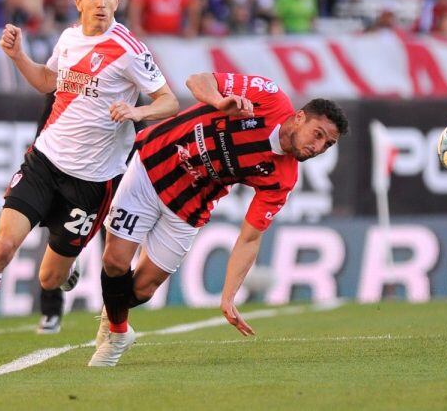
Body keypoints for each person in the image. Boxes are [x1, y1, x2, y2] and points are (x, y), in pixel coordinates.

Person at [0, 0, 179, 373]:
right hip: (45, 161)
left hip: (93, 184)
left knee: (49, 279)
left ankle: (67, 267)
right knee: (3, 245)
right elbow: (49, 81)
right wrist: (17, 57)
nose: (101, 3)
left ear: (119, 1)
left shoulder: (130, 49)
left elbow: (169, 100)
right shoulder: (67, 38)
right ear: (78, 1)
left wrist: (137, 110)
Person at [88, 72, 348, 367]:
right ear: (299, 117)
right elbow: (196, 80)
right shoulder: (269, 97)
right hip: (152, 166)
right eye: (318, 134)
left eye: (328, 144)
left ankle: (113, 315)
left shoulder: (283, 179)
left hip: (190, 206)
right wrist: (219, 101)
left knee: (143, 289)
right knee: (115, 261)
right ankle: (119, 334)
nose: (318, 147)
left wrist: (228, 296)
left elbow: (250, 237)